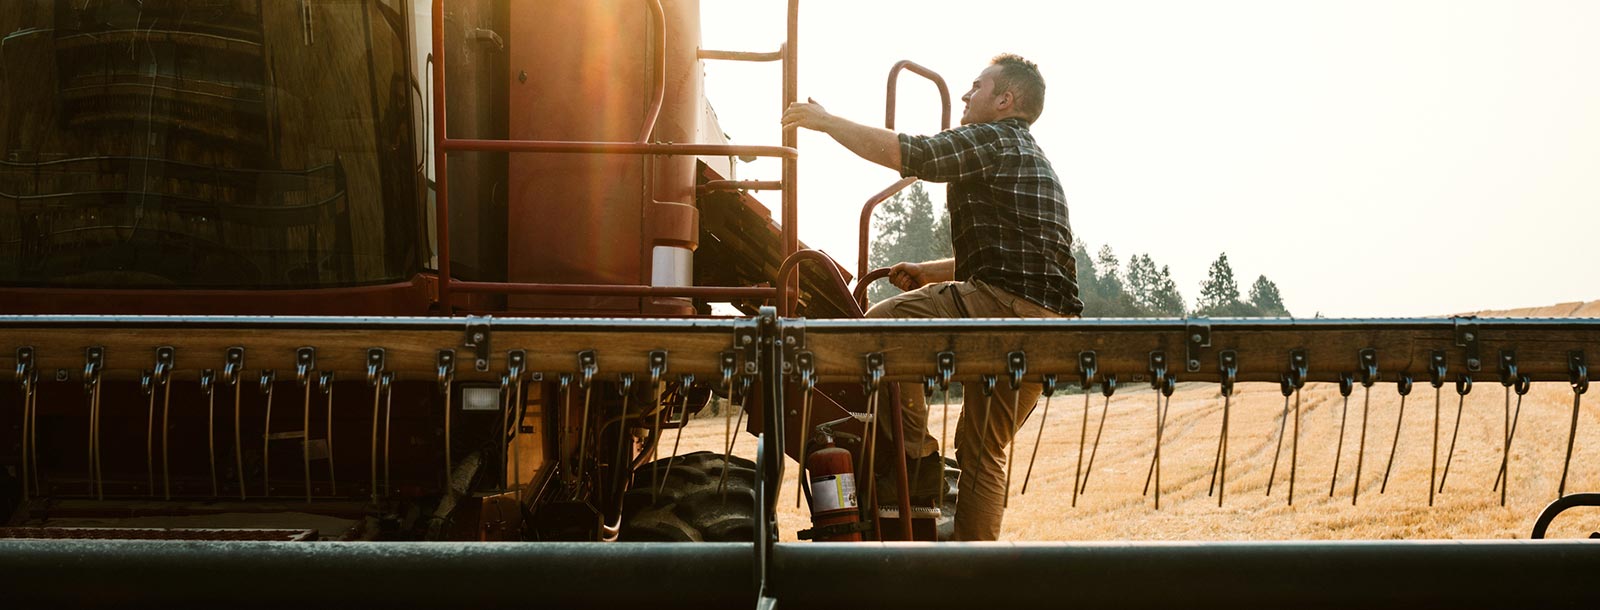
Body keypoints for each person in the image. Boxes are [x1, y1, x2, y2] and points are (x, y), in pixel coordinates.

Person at [781, 53, 1081, 541]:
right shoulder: (1031, 157)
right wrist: (930, 271)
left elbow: (914, 153)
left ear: (1005, 101)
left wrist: (828, 122)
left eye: (977, 86)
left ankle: (916, 456)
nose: (966, 95)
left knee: (881, 324)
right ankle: (970, 570)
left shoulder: (995, 138)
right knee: (983, 454)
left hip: (1002, 308)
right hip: (1047, 325)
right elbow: (1021, 258)